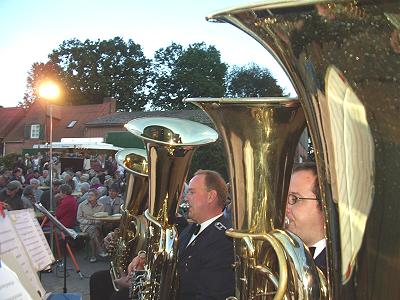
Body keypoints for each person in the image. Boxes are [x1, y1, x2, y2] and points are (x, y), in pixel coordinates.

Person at [285, 162, 326, 274]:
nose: (285, 208)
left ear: (324, 206)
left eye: (295, 198)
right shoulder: (278, 257)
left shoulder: (339, 269)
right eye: (286, 198)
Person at [77, 189, 107, 263]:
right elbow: (79, 218)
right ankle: (100, 250)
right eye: (88, 195)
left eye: (91, 195)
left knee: (93, 231)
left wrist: (95, 222)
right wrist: (89, 222)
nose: (89, 196)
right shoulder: (82, 205)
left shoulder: (101, 206)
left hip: (97, 225)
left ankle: (93, 256)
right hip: (85, 225)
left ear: (96, 197)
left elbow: (102, 218)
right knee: (93, 230)